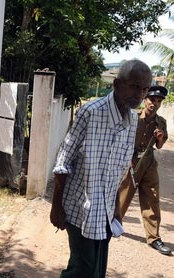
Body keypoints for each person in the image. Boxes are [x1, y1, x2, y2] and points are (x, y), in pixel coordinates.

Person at [50, 59, 152, 277]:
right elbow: (63, 161)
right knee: (82, 269)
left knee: (97, 270)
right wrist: (56, 207)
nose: (139, 95)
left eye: (144, 89)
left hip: (105, 212)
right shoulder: (90, 112)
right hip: (79, 208)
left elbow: (117, 169)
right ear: (116, 84)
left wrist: (115, 208)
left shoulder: (133, 120)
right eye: (134, 86)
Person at [116, 85, 172, 256]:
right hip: (130, 162)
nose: (154, 104)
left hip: (148, 163)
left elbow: (160, 145)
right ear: (145, 100)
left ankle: (154, 238)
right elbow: (120, 139)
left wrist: (160, 138)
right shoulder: (132, 117)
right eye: (151, 100)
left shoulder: (161, 122)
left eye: (158, 101)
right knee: (122, 198)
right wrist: (126, 161)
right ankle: (111, 226)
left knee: (152, 199)